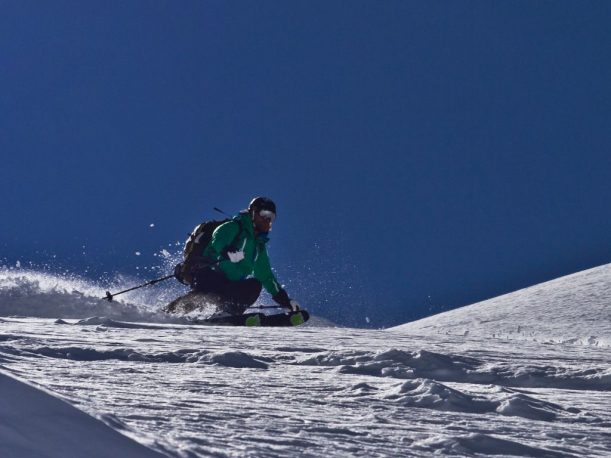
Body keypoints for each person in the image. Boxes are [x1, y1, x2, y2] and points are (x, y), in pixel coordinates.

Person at [169, 197, 300, 316]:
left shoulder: (258, 247)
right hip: (209, 274)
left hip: (229, 285)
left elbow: (266, 276)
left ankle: (227, 314)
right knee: (203, 297)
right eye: (265, 215)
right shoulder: (234, 226)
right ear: (253, 211)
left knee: (255, 284)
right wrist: (227, 250)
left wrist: (284, 300)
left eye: (271, 218)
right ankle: (167, 314)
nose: (267, 221)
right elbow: (218, 239)